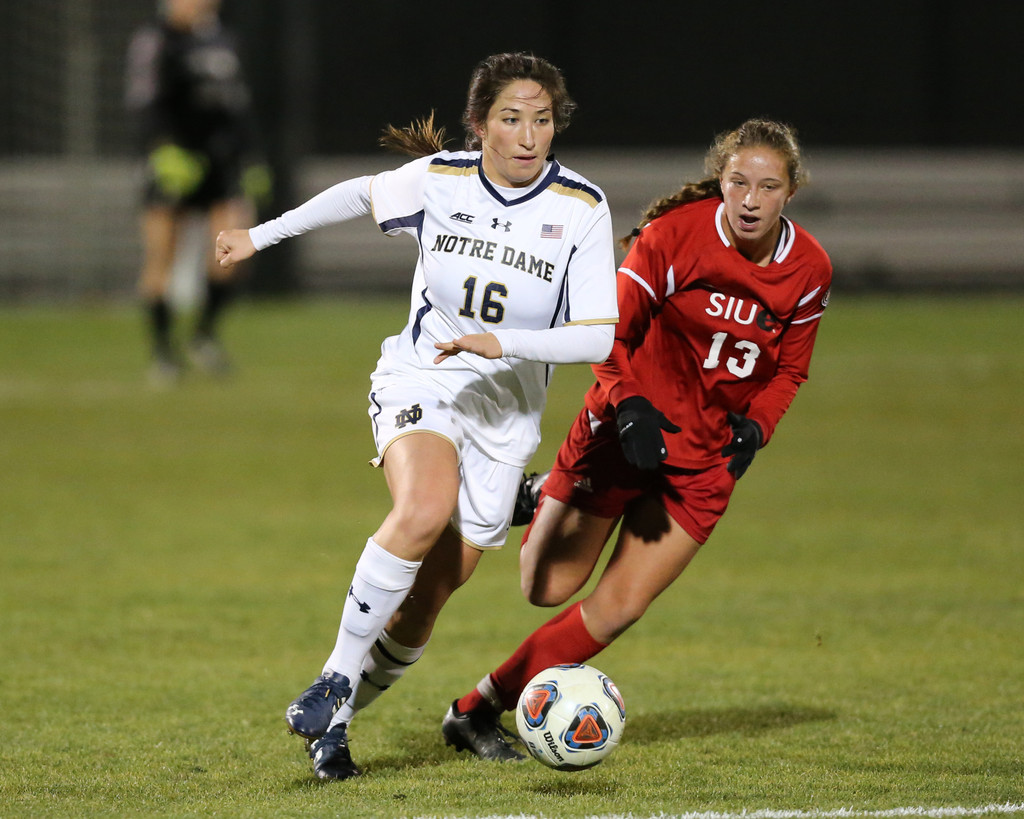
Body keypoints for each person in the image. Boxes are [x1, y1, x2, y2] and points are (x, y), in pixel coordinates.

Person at [215, 52, 618, 780]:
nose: (529, 136)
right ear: (479, 125)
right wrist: (257, 236)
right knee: (424, 504)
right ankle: (336, 674)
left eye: (543, 120)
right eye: (511, 119)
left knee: (425, 602)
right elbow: (355, 194)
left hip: (506, 416)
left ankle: (331, 728)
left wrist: (507, 342)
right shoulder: (443, 179)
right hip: (422, 379)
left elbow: (597, 335)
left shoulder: (581, 208)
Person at [442, 118, 833, 760]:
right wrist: (629, 409)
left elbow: (790, 368)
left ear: (792, 191)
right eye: (739, 182)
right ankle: (540, 493)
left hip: (703, 464)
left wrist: (758, 426)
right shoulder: (673, 237)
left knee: (619, 608)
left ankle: (476, 710)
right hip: (625, 433)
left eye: (768, 186)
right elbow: (606, 338)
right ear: (721, 181)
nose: (751, 200)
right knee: (545, 587)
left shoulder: (810, 267)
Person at [125, 0, 270, 386]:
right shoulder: (155, 38)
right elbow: (144, 100)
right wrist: (163, 150)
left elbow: (238, 105)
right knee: (161, 258)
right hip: (174, 161)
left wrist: (251, 157)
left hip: (221, 162)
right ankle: (163, 354)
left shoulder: (223, 40)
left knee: (235, 250)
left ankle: (203, 335)